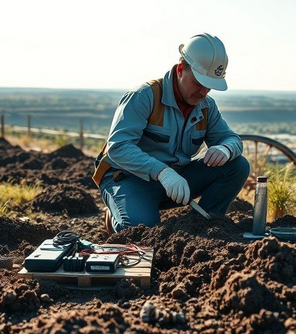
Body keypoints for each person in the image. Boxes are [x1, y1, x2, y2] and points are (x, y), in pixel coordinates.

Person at [93, 33, 249, 233]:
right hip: (127, 179)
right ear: (181, 69)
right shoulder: (144, 96)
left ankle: (200, 228)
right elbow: (118, 147)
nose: (203, 92)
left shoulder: (206, 106)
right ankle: (120, 211)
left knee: (237, 165)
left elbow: (232, 139)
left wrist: (226, 148)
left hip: (178, 181)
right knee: (142, 232)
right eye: (199, 83)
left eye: (209, 87)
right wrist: (162, 172)